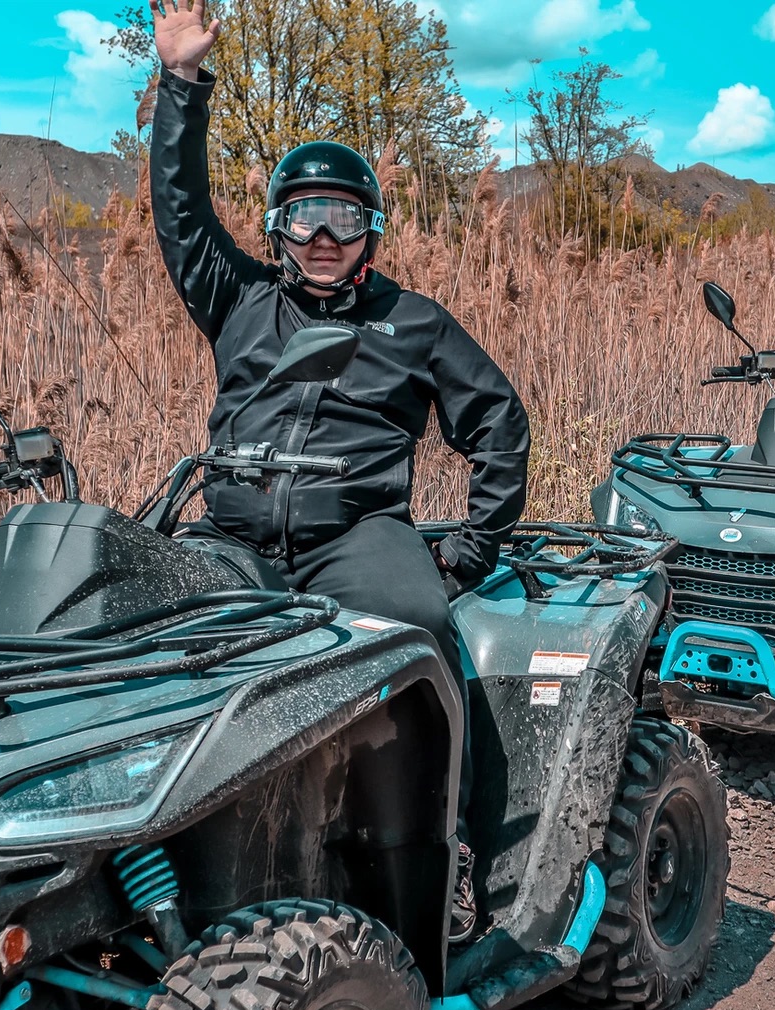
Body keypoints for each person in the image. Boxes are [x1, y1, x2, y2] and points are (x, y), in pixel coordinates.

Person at [150, 0, 529, 942]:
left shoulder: (415, 322)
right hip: (230, 540)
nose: (324, 234)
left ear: (372, 229)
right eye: (307, 214)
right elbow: (182, 213)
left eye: (344, 216)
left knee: (424, 637)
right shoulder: (238, 300)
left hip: (356, 541)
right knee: (131, 637)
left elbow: (499, 423)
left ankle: (463, 864)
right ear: (279, 224)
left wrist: (470, 551)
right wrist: (180, 85)